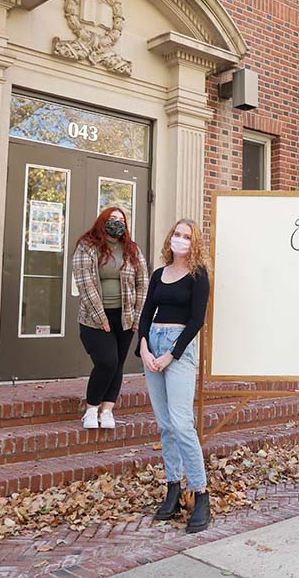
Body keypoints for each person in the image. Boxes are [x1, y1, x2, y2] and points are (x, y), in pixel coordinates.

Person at [137, 218, 212, 532]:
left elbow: (197, 320)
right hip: (152, 345)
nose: (180, 239)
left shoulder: (198, 276)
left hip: (177, 349)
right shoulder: (158, 274)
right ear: (170, 239)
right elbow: (145, 314)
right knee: (165, 424)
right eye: (177, 234)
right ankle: (173, 488)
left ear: (194, 243)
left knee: (182, 422)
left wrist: (171, 354)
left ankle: (201, 493)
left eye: (187, 236)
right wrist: (143, 347)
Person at [73, 207, 148, 430]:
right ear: (102, 221)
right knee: (107, 362)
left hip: (124, 317)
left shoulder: (131, 249)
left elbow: (143, 283)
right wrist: (100, 317)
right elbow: (85, 284)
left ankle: (107, 411)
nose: (117, 222)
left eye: (121, 219)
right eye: (112, 218)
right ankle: (91, 409)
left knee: (117, 366)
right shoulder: (87, 246)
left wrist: (137, 317)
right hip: (94, 318)